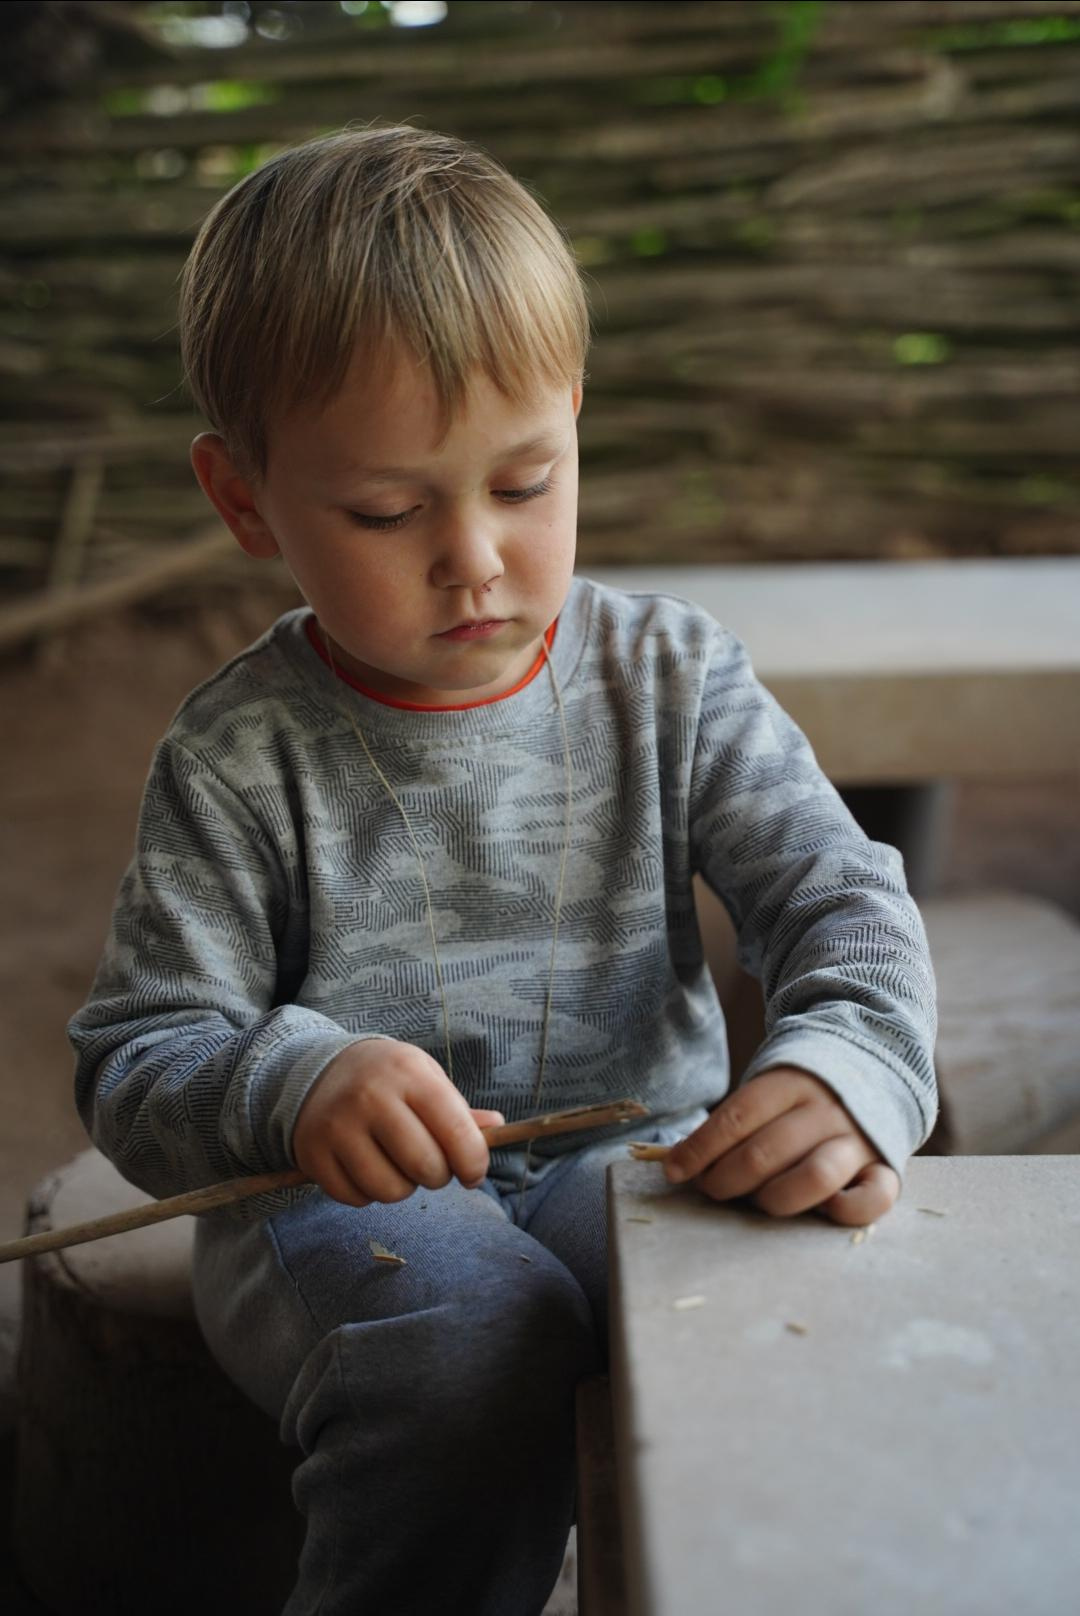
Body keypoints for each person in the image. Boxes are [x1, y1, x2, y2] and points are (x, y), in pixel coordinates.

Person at [69, 125, 938, 1616]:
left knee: (784, 1326)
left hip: (635, 1171)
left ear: (576, 424)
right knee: (472, 1329)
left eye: (526, 483)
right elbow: (139, 1058)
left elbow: (841, 901)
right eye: (388, 513)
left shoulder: (671, 680)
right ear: (245, 500)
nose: (473, 557)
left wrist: (848, 1068)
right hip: (323, 1216)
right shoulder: (236, 757)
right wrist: (298, 1082)